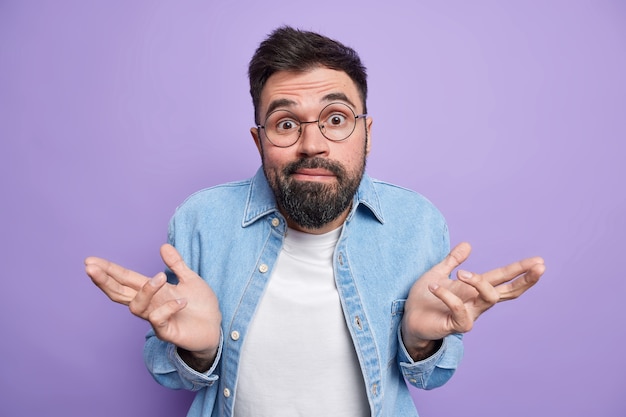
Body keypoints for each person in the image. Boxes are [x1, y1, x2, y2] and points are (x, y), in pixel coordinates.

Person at [85, 26, 545, 417]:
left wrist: (418, 342)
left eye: (336, 118)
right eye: (286, 123)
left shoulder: (416, 224)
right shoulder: (200, 222)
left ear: (367, 135)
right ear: (259, 139)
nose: (312, 144)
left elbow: (432, 377)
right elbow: (166, 372)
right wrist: (198, 351)